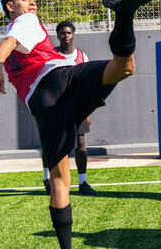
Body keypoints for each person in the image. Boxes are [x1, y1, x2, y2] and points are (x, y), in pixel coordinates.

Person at [0, 0, 161, 249]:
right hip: (59, 80)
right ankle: (125, 14)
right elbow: (10, 41)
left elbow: (10, 45)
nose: (31, 2)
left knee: (59, 180)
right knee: (123, 68)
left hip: (44, 104)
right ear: (10, 6)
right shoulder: (26, 22)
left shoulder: (21, 34)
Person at [41, 20, 96, 196]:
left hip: (77, 106)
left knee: (80, 143)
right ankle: (47, 178)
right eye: (62, 33)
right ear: (57, 36)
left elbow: (88, 85)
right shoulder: (50, 56)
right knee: (50, 143)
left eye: (68, 33)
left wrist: (88, 109)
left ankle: (83, 182)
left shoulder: (82, 57)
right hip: (54, 106)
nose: (65, 36)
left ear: (73, 35)